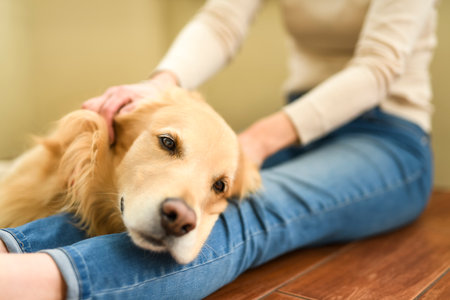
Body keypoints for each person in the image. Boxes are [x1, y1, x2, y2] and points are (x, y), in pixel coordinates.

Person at [0, 0, 437, 299]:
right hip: (300, 122)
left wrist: (258, 141)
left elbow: (379, 66)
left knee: (241, 211)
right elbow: (221, 22)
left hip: (387, 139)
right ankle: (10, 248)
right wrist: (160, 84)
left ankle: (29, 282)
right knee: (140, 200)